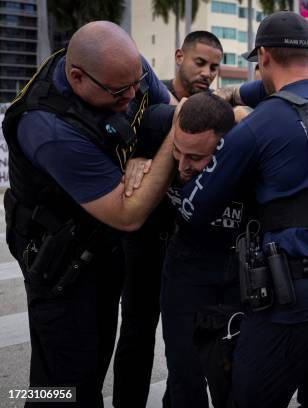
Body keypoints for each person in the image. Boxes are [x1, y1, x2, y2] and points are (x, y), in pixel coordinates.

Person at [175, 11, 308, 407]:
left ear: (264, 56)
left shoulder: (264, 123)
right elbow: (282, 92)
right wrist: (234, 97)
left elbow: (195, 208)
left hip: (295, 297)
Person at [1, 21, 176, 407]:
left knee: (94, 362)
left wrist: (144, 154)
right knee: (63, 385)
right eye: (120, 91)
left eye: (136, 82)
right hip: (58, 262)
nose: (132, 96)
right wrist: (171, 143)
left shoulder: (123, 69)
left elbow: (164, 111)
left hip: (99, 247)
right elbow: (129, 213)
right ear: (77, 77)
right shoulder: (48, 126)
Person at [138, 93, 248, 407]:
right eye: (178, 152)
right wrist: (140, 155)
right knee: (183, 373)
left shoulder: (247, 145)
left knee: (233, 377)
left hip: (235, 271)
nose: (183, 167)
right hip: (184, 268)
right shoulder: (159, 123)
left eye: (197, 158)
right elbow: (133, 125)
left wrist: (243, 112)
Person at [164, 30, 223, 101]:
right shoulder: (153, 94)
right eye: (200, 63)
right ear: (179, 57)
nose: (207, 74)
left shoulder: (216, 103)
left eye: (213, 68)